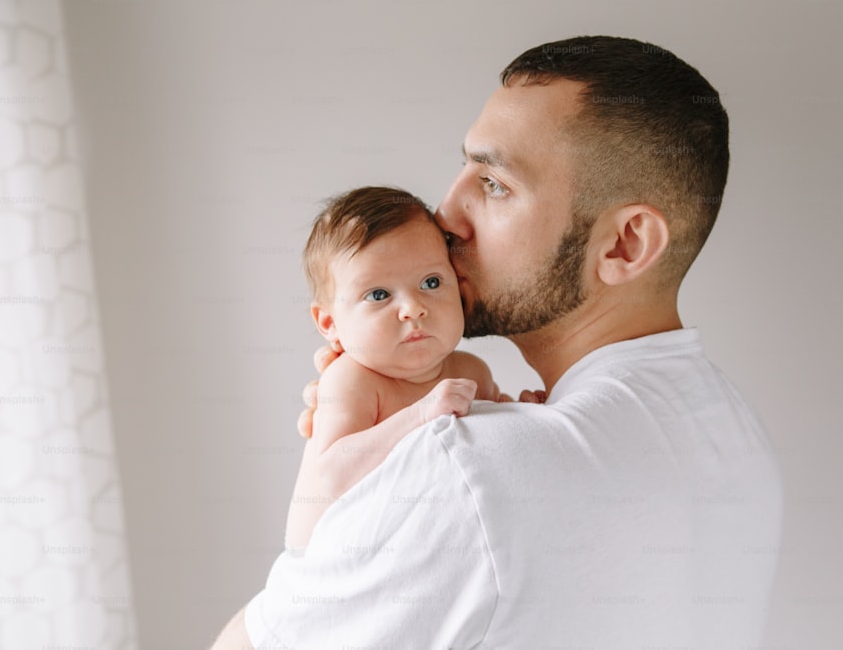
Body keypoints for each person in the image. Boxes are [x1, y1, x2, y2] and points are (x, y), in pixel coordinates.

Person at [212, 35, 782, 649]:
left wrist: (398, 471)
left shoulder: (469, 469)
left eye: (495, 184)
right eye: (464, 171)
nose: (446, 214)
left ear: (624, 246)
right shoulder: (735, 436)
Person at [283, 185, 505, 549]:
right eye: (379, 295)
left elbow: (492, 438)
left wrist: (521, 408)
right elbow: (333, 474)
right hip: (328, 563)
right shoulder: (352, 380)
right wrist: (420, 416)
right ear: (329, 323)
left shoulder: (470, 371)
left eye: (431, 282)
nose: (413, 308)